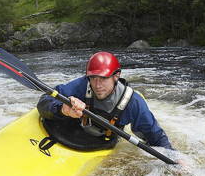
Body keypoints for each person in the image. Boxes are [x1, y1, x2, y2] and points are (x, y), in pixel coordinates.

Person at [37, 51, 174, 151]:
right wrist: (63, 109)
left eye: (103, 78)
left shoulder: (133, 103)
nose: (97, 85)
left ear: (116, 75)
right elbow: (44, 101)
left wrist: (175, 158)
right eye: (93, 78)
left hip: (104, 140)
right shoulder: (82, 85)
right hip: (75, 128)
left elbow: (155, 136)